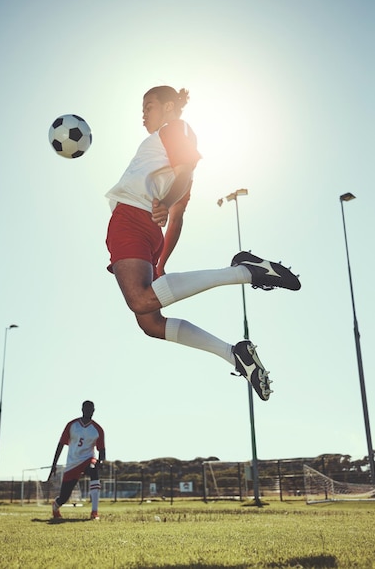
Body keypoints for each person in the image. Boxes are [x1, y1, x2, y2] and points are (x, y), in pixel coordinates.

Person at [105, 85, 300, 402]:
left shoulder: (175, 129)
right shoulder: (165, 150)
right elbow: (177, 215)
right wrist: (161, 261)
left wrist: (165, 202)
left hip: (131, 219)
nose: (144, 113)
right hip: (148, 233)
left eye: (150, 105)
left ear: (169, 107)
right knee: (151, 323)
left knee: (140, 302)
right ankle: (234, 354)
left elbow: (179, 185)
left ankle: (244, 272)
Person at [48, 400, 105, 520]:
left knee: (93, 470)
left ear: (94, 411)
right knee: (64, 497)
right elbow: (61, 445)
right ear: (82, 409)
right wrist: (54, 464)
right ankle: (56, 505)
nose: (88, 411)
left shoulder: (98, 429)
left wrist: (101, 462)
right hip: (72, 463)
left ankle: (94, 512)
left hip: (88, 460)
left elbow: (102, 450)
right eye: (86, 408)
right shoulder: (72, 425)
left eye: (91, 409)